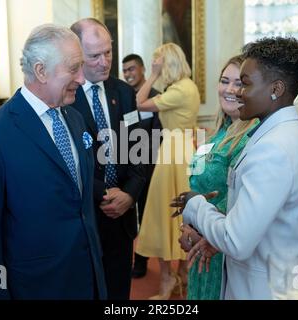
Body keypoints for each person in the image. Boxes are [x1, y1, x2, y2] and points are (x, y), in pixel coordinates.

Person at [0, 24, 106, 300]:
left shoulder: (75, 119)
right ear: (41, 71)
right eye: (73, 68)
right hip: (36, 287)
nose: (82, 77)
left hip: (88, 279)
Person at [174, 36, 298, 299]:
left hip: (265, 287)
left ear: (275, 89)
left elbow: (236, 240)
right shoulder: (287, 134)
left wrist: (195, 205)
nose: (238, 92)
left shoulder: (273, 148)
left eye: (246, 84)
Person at [70, 18, 146, 300]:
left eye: (108, 53)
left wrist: (130, 195)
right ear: (76, 55)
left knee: (118, 290)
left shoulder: (124, 93)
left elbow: (140, 150)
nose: (104, 62)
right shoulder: (66, 95)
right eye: (94, 56)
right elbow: (68, 163)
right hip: (86, 212)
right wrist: (104, 192)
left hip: (122, 215)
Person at [179, 55, 258, 300]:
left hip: (221, 248)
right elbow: (200, 185)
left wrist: (201, 232)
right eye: (225, 81)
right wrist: (189, 226)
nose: (230, 89)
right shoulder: (219, 131)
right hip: (201, 243)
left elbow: (241, 200)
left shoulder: (253, 137)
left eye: (239, 83)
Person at [135, 42, 200, 300]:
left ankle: (168, 278)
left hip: (173, 152)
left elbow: (139, 102)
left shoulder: (179, 90)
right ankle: (181, 275)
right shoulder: (188, 86)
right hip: (186, 149)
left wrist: (151, 75)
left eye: (158, 63)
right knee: (184, 214)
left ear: (166, 63)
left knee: (165, 214)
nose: (155, 67)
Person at [122, 53, 162, 279]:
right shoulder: (123, 96)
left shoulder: (156, 97)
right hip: (126, 168)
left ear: (143, 69)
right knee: (128, 216)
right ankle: (128, 256)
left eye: (131, 69)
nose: (128, 74)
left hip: (149, 167)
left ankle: (142, 261)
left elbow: (158, 134)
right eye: (125, 70)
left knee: (147, 215)